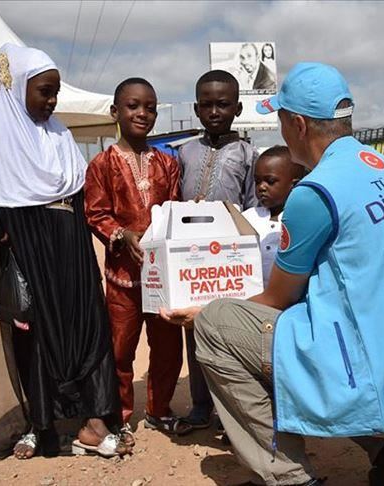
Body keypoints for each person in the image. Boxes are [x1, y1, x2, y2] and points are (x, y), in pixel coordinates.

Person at [161, 63, 384, 485]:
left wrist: (201, 311)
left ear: (298, 125)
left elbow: (276, 300)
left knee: (218, 323)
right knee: (327, 320)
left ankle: (290, 477)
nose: (281, 130)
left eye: (281, 119)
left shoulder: (315, 192)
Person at [0, 43, 124, 461]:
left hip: (72, 247)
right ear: (16, 90)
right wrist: (5, 232)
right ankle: (40, 424)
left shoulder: (60, 135)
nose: (52, 101)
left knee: (87, 326)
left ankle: (95, 419)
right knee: (39, 336)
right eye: (44, 92)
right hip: (31, 254)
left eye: (56, 93)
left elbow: (78, 196)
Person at [84, 78, 187, 438]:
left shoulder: (167, 163)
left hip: (162, 278)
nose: (143, 113)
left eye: (150, 107)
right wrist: (122, 234)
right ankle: (121, 415)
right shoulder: (102, 163)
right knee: (119, 349)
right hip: (123, 278)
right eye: (133, 106)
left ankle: (159, 409)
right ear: (116, 111)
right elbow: (95, 213)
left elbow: (173, 210)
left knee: (168, 348)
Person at [177, 69, 259, 432]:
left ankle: (231, 411)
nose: (214, 112)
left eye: (223, 104)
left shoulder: (248, 154)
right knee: (193, 329)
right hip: (190, 260)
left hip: (230, 261)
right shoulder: (185, 152)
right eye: (206, 105)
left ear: (237, 108)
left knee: (229, 333)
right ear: (196, 109)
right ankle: (200, 404)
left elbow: (254, 208)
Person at [241, 146, 304, 287]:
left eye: (270, 181)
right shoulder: (247, 218)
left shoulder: (300, 220)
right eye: (257, 181)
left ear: (294, 185)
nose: (261, 187)